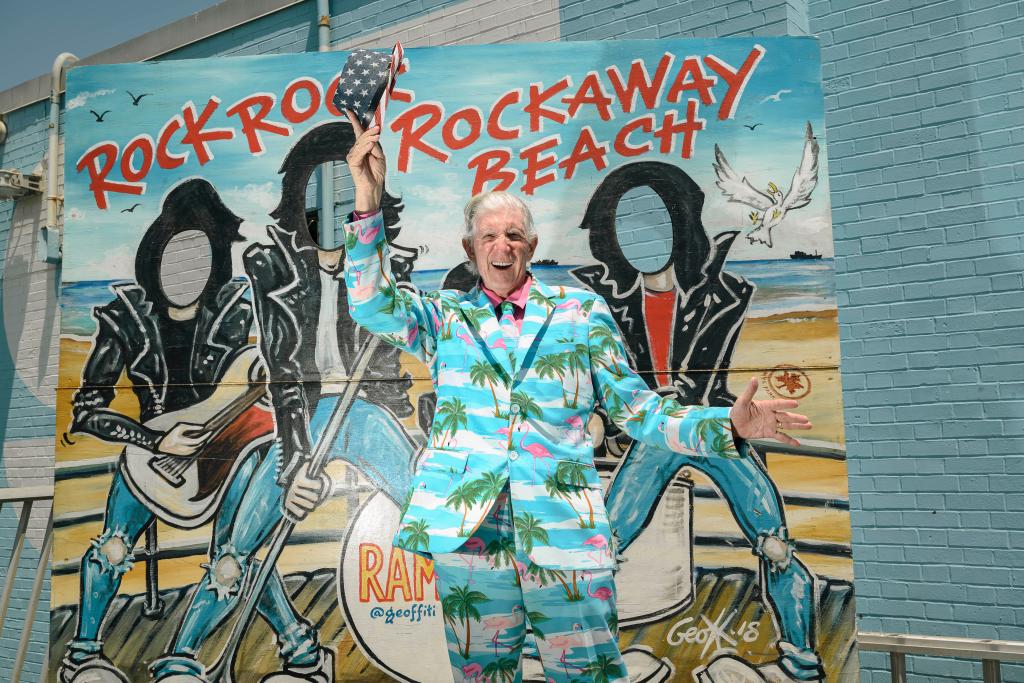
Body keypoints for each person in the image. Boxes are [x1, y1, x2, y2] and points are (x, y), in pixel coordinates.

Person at [327, 110, 813, 683]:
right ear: (470, 247)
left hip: (564, 535)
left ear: (530, 246)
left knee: (585, 674)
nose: (501, 246)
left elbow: (640, 410)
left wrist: (725, 427)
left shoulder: (580, 315)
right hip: (469, 536)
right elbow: (368, 300)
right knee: (480, 675)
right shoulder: (444, 318)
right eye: (489, 236)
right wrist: (366, 200)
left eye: (513, 235)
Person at [151, 122, 419, 683]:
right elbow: (283, 376)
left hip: (367, 414)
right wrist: (296, 465)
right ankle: (188, 656)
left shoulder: (386, 267)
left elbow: (402, 354)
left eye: (347, 196)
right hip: (300, 419)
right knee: (238, 543)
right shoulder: (270, 270)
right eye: (319, 197)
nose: (333, 212)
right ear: (298, 202)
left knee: (428, 509)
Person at [575, 164, 824, 682]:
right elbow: (602, 383)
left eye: (654, 220)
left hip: (713, 426)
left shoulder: (723, 293)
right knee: (604, 547)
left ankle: (799, 666)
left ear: (680, 221)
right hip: (653, 434)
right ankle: (591, 658)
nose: (641, 237)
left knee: (775, 545)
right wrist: (602, 422)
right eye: (626, 225)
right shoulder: (600, 306)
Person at [58, 179, 264, 683]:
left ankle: (207, 660)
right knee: (110, 547)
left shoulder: (236, 308)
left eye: (200, 259)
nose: (185, 272)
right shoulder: (126, 318)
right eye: (175, 257)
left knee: (232, 561)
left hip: (223, 454)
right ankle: (82, 655)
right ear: (154, 255)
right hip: (149, 457)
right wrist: (152, 440)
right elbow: (87, 408)